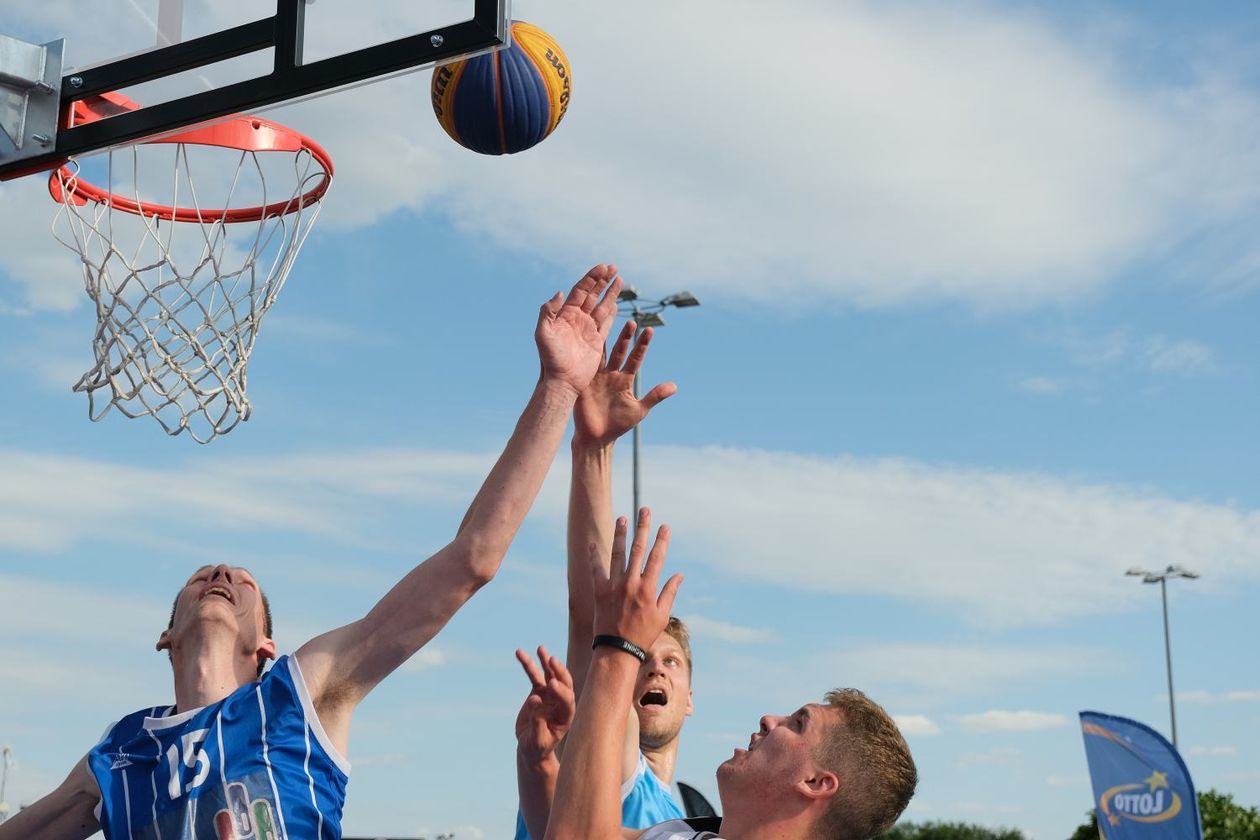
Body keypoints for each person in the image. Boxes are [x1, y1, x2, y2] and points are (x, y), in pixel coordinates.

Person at [0, 265, 627, 840]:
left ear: (265, 647)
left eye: (243, 584)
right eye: (203, 578)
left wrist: (558, 387)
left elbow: (472, 560)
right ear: (166, 635)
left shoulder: (303, 692)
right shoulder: (119, 755)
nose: (222, 575)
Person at [535, 511, 918, 840]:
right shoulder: (688, 830)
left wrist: (617, 648)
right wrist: (534, 761)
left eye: (798, 724)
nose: (769, 719)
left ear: (816, 783)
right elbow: (564, 825)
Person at [513, 315, 693, 840]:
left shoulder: (685, 815)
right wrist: (594, 450)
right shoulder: (611, 770)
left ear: (690, 696)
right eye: (642, 655)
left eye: (671, 662)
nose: (653, 671)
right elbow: (593, 622)